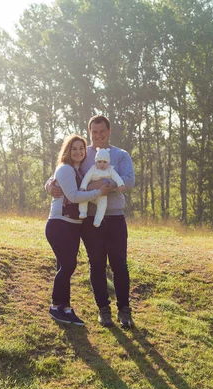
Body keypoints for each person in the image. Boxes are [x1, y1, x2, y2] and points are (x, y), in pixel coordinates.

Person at [47, 115, 135, 328]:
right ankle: (103, 310)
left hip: (114, 216)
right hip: (88, 220)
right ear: (90, 132)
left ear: (109, 131)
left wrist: (106, 186)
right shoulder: (83, 153)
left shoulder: (120, 155)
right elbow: (60, 172)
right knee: (96, 264)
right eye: (94, 132)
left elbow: (130, 180)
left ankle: (124, 310)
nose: (98, 136)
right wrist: (49, 185)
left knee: (119, 264)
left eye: (102, 131)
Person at [46, 134, 111, 325]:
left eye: (81, 149)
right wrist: (99, 193)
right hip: (60, 224)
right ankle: (55, 306)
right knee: (68, 266)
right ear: (67, 151)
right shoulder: (65, 169)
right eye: (74, 148)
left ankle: (65, 308)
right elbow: (73, 196)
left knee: (64, 266)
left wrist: (48, 184)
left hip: (73, 226)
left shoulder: (80, 170)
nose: (78, 152)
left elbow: (54, 181)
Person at [79, 147, 125, 227]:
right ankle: (83, 211)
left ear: (108, 162)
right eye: (99, 162)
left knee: (103, 204)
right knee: (83, 197)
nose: (102, 164)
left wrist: (121, 184)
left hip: (102, 194)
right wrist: (83, 187)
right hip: (90, 191)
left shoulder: (110, 170)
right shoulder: (93, 169)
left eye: (105, 162)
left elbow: (117, 177)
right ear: (96, 162)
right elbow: (86, 178)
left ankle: (98, 220)